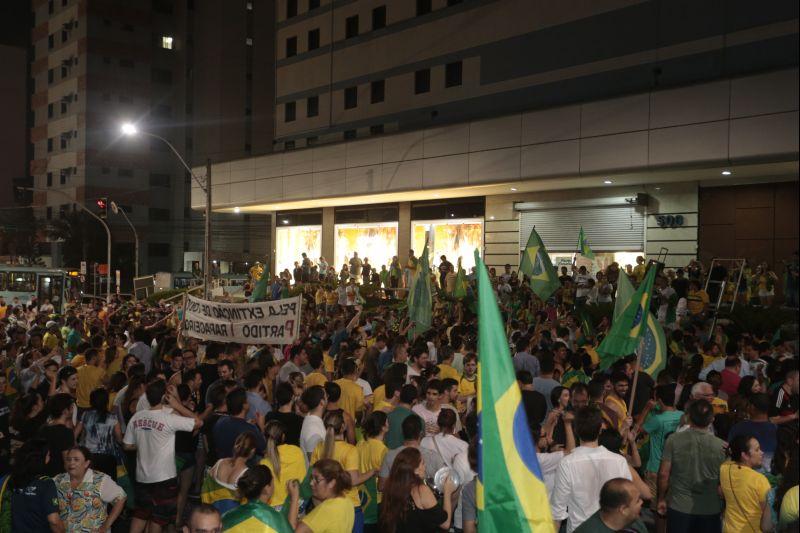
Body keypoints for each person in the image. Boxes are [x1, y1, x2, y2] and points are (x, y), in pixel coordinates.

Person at [123, 380, 202, 533]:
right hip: (164, 478)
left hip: (142, 477)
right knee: (158, 518)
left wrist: (145, 444)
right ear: (164, 397)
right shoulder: (168, 418)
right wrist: (177, 404)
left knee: (140, 515)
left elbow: (126, 445)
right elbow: (198, 422)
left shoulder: (137, 417)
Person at [551, 406, 632, 532]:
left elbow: (557, 513)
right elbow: (628, 501)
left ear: (576, 430)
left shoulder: (567, 463)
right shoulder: (619, 461)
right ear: (600, 429)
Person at [657, 399, 726, 533]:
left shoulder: (673, 440)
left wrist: (661, 498)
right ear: (712, 419)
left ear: (688, 417)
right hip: (710, 508)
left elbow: (663, 474)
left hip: (679, 506)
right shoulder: (721, 446)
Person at [311, 411, 375, 533]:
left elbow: (312, 476)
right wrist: (371, 472)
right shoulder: (350, 450)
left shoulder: (318, 447)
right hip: (350, 505)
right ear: (343, 427)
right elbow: (353, 480)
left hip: (325, 504)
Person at [379, 447, 456, 533]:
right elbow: (445, 524)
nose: (425, 466)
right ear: (415, 470)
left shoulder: (391, 488)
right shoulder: (420, 490)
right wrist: (447, 492)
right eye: (422, 463)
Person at [53, 446, 126, 532]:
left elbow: (121, 498)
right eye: (68, 459)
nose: (71, 463)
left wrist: (106, 526)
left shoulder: (99, 480)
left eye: (76, 459)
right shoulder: (58, 480)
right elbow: (52, 502)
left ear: (86, 463)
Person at [720, 434, 772, 533]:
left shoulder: (724, 468)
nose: (762, 452)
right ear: (744, 455)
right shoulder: (760, 480)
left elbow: (720, 491)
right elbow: (767, 522)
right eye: (757, 450)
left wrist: (731, 450)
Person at [221, 465, 296, 532]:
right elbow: (289, 529)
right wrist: (294, 498)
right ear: (267, 489)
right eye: (273, 482)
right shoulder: (275, 518)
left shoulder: (227, 517)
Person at [74, 387, 123, 480]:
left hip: (88, 456)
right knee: (108, 485)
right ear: (106, 401)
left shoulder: (85, 415)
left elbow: (74, 435)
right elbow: (119, 438)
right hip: (108, 457)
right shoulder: (112, 417)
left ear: (91, 401)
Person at [201, 432, 256, 513]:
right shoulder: (247, 474)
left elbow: (205, 487)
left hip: (212, 513)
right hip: (231, 518)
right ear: (252, 451)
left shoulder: (219, 463)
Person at [296, 459, 355, 533]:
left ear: (332, 483)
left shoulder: (326, 509)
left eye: (317, 479)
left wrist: (294, 499)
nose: (311, 483)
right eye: (312, 478)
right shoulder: (347, 501)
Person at [260, 420, 308, 508]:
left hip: (275, 509)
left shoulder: (264, 463)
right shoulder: (297, 451)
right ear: (283, 436)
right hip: (298, 504)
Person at [573, 478, 647, 533]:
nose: (641, 502)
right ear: (623, 509)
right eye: (637, 501)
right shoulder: (587, 530)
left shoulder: (634, 519)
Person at [727, 393, 778, 472]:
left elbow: (730, 451)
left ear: (752, 407)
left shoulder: (738, 428)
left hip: (743, 472)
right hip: (770, 473)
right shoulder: (776, 429)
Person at [213, 387, 267, 459]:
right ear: (244, 405)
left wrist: (246, 424)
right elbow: (264, 449)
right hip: (241, 467)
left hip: (222, 464)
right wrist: (261, 427)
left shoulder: (221, 421)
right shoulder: (249, 430)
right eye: (247, 401)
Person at [357, 412, 389, 531]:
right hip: (376, 498)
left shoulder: (360, 443)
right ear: (383, 427)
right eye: (387, 422)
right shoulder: (383, 450)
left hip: (361, 494)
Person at [37, 393, 76, 477]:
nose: (73, 410)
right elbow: (68, 462)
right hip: (58, 477)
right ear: (65, 411)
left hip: (43, 475)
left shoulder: (43, 428)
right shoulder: (66, 433)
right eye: (72, 407)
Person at [265, 382, 304, 447]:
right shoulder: (298, 420)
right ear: (292, 397)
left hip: (272, 453)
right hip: (292, 455)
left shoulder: (269, 416)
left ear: (277, 399)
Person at [299, 385, 328, 457]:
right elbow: (313, 462)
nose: (328, 398)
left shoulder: (310, 418)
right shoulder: (314, 429)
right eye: (326, 396)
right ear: (322, 402)